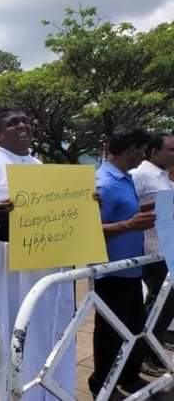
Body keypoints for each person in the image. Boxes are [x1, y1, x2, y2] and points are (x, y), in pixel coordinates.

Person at [0, 108, 76, 400]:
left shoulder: (38, 164)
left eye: (26, 120)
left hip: (38, 265)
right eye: (13, 123)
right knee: (2, 331)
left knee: (38, 331)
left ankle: (40, 392)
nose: (23, 125)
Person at [89, 127, 155, 396]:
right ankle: (102, 386)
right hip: (111, 272)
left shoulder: (124, 178)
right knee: (109, 335)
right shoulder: (104, 183)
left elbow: (123, 213)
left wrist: (143, 212)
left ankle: (128, 377)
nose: (144, 156)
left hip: (130, 269)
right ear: (132, 150)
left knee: (135, 328)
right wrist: (130, 224)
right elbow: (90, 229)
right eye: (142, 150)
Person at [131, 132, 174, 376]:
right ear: (154, 151)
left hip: (168, 249)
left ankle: (154, 350)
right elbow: (128, 207)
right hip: (151, 251)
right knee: (158, 304)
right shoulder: (140, 175)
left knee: (166, 305)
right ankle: (143, 355)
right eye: (171, 150)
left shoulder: (165, 176)